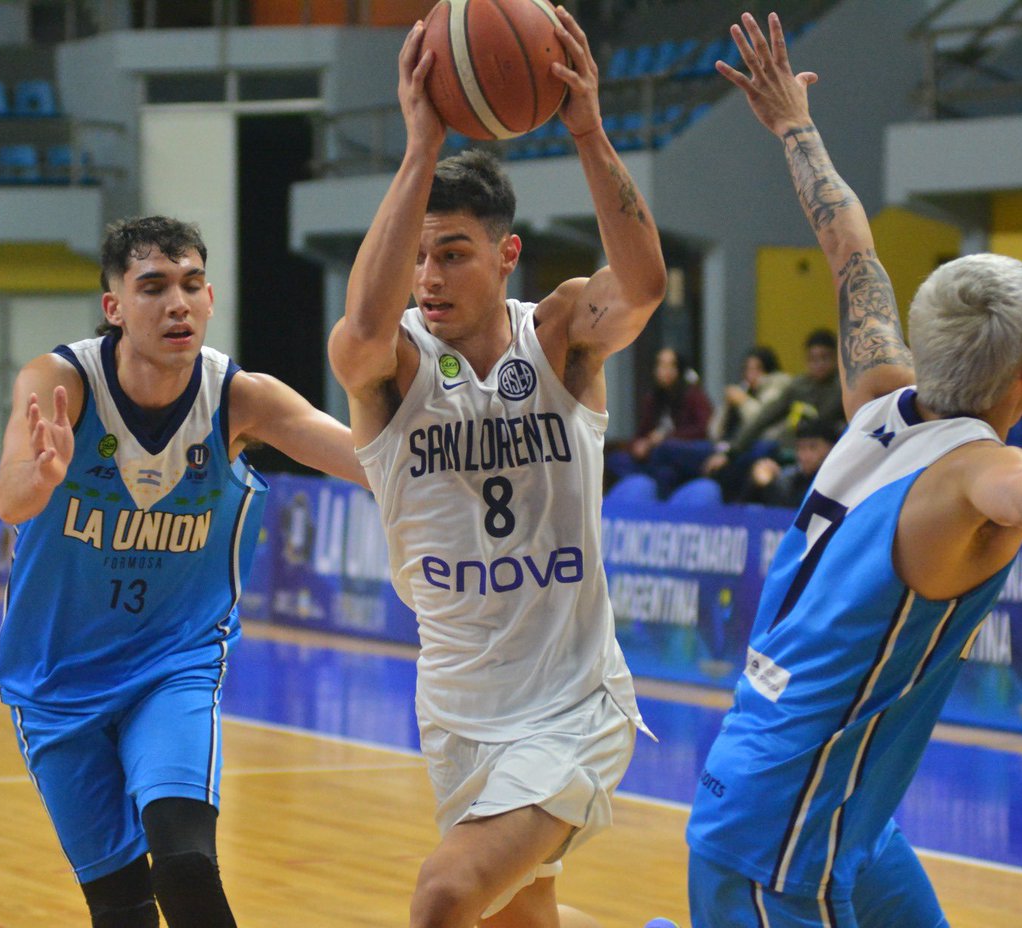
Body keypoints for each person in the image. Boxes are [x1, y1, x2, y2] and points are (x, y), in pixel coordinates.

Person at [685, 13, 1022, 928]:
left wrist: (793, 126)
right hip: (781, 832)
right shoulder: (979, 480)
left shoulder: (880, 396)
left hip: (842, 812)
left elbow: (849, 245)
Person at [328, 9, 666, 928]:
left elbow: (640, 287)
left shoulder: (558, 335)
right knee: (516, 919)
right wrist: (418, 148)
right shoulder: (388, 367)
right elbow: (360, 328)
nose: (429, 278)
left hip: (572, 703)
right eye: (422, 256)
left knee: (444, 897)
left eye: (454, 254)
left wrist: (589, 132)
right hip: (458, 710)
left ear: (507, 256)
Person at [0, 216, 366, 928]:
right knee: (123, 910)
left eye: (192, 284)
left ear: (210, 297)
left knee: (187, 866)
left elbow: (368, 462)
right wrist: (42, 478)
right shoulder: (58, 381)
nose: (177, 304)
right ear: (114, 308)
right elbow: (11, 498)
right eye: (154, 286)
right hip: (54, 680)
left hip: (173, 664)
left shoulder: (240, 397)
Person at [703, 328, 844, 500]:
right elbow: (763, 419)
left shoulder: (843, 389)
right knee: (753, 460)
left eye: (825, 358)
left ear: (836, 359)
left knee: (768, 454)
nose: (819, 364)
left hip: (829, 458)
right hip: (791, 451)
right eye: (813, 359)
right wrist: (730, 452)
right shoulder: (799, 386)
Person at [605, 346, 713, 496]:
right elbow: (643, 431)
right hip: (655, 456)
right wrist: (638, 445)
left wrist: (665, 438)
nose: (665, 371)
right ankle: (645, 487)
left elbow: (703, 429)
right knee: (616, 459)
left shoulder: (694, 395)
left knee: (666, 451)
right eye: (661, 365)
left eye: (670, 366)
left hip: (683, 450)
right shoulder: (653, 398)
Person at [737, 414, 837, 509]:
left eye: (812, 447)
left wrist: (770, 486)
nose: (805, 456)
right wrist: (759, 484)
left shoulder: (836, 480)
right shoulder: (792, 478)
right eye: (800, 448)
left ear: (831, 448)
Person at [707, 345, 792, 449]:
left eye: (758, 369)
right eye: (747, 369)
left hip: (760, 445)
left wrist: (743, 402)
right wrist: (727, 408)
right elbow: (714, 433)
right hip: (730, 444)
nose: (751, 375)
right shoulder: (743, 390)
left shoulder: (776, 388)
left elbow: (763, 423)